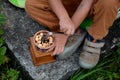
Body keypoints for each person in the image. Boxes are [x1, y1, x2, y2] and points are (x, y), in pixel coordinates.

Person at [25, 0, 120, 69]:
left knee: (109, 2)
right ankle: (72, 30)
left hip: (94, 6)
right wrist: (63, 17)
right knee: (31, 5)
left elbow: (85, 4)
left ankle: (94, 37)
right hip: (69, 3)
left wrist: (64, 35)